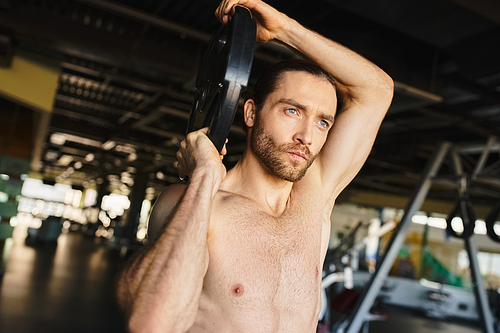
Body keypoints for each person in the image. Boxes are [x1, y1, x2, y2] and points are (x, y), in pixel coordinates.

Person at [115, 0, 393, 332]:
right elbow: (151, 322)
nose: (307, 136)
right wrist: (205, 177)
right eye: (292, 111)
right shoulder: (196, 203)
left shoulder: (316, 194)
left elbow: (376, 90)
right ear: (250, 113)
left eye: (322, 123)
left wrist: (285, 29)